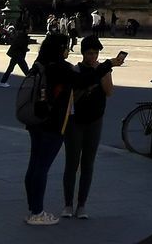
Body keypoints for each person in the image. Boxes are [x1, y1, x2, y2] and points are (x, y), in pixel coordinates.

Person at [22, 32, 123, 226]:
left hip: (35, 122)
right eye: (66, 46)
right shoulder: (60, 68)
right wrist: (107, 65)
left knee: (34, 165)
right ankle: (37, 212)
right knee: (42, 167)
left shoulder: (40, 64)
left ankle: (32, 208)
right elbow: (83, 82)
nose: (68, 49)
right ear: (60, 49)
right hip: (52, 125)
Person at [61, 35, 113, 219]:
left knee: (88, 164)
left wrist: (105, 72)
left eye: (96, 53)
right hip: (75, 122)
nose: (93, 57)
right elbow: (74, 91)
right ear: (83, 53)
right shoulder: (75, 70)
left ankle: (81, 205)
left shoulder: (102, 70)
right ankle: (68, 204)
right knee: (72, 163)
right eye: (90, 53)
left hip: (95, 121)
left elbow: (109, 92)